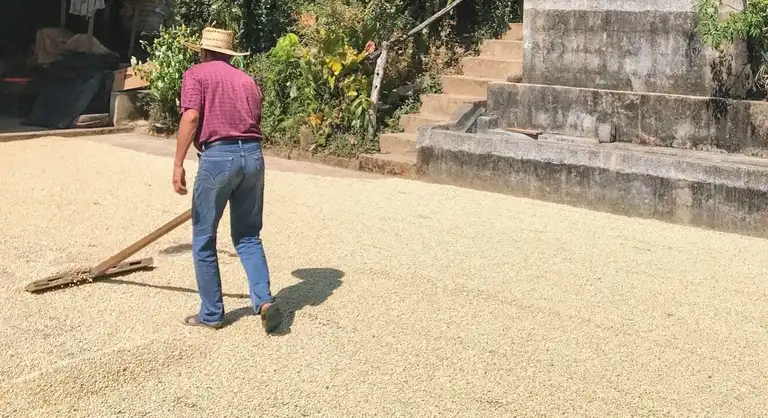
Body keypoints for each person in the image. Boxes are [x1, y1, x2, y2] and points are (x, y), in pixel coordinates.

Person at [172, 28, 282, 333]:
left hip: (218, 158)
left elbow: (191, 117)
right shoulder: (247, 81)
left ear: (203, 52)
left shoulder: (196, 74)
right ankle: (265, 301)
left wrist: (178, 163)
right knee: (248, 235)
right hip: (253, 157)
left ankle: (212, 313)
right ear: (230, 54)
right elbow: (254, 120)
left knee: (204, 238)